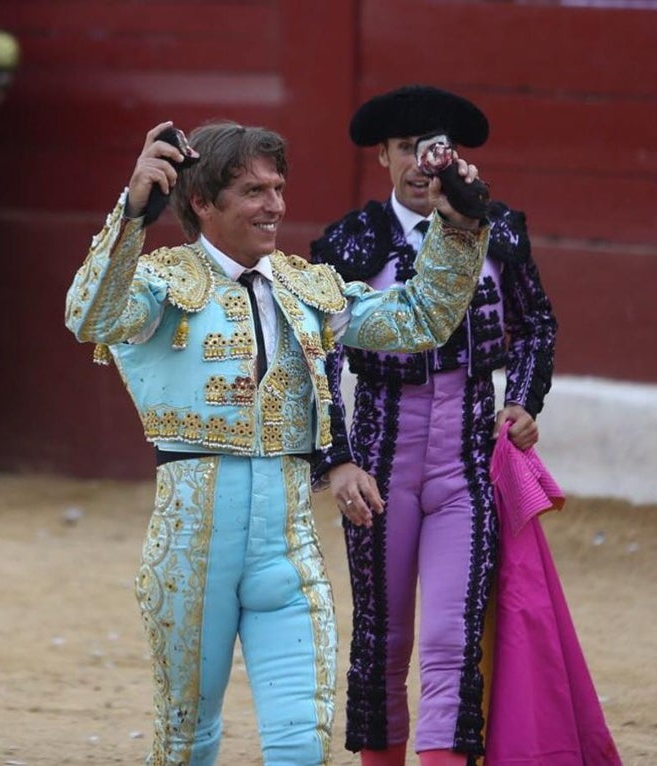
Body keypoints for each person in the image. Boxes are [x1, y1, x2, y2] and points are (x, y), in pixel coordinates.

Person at [64, 119, 490, 766]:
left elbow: (420, 318)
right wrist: (130, 215)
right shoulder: (160, 283)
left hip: (285, 551)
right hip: (191, 552)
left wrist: (458, 229)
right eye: (255, 192)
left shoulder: (304, 287)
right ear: (204, 203)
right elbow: (89, 317)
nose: (276, 206)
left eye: (279, 187)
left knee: (301, 745)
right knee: (187, 739)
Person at [310, 85, 560, 766]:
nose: (421, 166)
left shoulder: (495, 229)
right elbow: (318, 360)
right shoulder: (349, 242)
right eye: (405, 151)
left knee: (453, 637)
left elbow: (536, 323)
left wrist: (526, 400)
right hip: (381, 465)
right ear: (384, 157)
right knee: (382, 638)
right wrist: (338, 460)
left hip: (467, 465)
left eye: (435, 151)